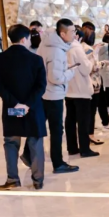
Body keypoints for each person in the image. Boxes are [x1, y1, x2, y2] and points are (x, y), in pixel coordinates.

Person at [0, 24, 47, 190]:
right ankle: (38, 180)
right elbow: (41, 86)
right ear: (24, 39)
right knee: (35, 142)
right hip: (33, 108)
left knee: (11, 143)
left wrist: (16, 104)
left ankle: (12, 179)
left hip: (11, 107)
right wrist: (27, 104)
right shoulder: (36, 59)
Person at [37, 18, 79, 174]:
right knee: (56, 130)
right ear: (62, 34)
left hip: (44, 92)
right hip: (53, 94)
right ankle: (58, 163)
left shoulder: (46, 44)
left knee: (41, 125)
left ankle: (28, 154)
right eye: (72, 31)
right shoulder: (56, 50)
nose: (75, 34)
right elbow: (55, 78)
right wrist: (71, 72)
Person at [65, 28, 100, 158]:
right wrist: (92, 57)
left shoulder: (64, 47)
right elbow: (86, 69)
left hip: (69, 89)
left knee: (70, 120)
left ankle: (72, 147)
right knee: (83, 121)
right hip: (81, 89)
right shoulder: (77, 48)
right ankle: (85, 149)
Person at [97, 34, 109, 132]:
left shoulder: (99, 47)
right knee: (102, 100)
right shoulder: (105, 47)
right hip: (101, 73)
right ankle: (105, 122)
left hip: (100, 74)